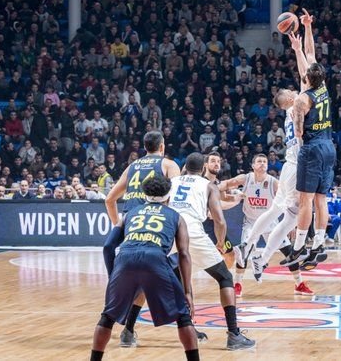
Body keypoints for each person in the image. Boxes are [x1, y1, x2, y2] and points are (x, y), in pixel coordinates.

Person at [91, 175, 199, 361]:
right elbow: (183, 254)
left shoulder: (129, 214)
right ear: (168, 197)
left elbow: (108, 247)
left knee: (107, 316)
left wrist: (113, 276)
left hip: (125, 259)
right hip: (155, 259)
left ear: (145, 195)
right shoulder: (176, 216)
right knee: (183, 317)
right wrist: (187, 291)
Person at [103, 130, 191, 346]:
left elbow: (109, 199)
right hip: (157, 225)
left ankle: (127, 328)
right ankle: (187, 325)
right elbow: (177, 198)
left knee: (138, 278)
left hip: (131, 224)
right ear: (162, 146)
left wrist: (118, 225)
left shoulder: (132, 166)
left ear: (145, 147)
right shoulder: (169, 164)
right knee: (177, 274)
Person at [168, 153, 255, 350]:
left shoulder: (173, 181)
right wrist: (221, 243)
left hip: (168, 229)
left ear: (185, 167)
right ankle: (233, 334)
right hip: (191, 230)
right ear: (203, 169)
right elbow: (220, 221)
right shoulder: (208, 185)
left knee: (172, 277)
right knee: (225, 277)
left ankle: (128, 330)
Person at [235, 89, 314, 296]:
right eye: (290, 92)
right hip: (296, 165)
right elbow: (305, 90)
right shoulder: (296, 107)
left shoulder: (289, 112)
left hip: (289, 165)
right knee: (291, 216)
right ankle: (259, 255)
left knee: (277, 212)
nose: (294, 91)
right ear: (288, 99)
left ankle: (253, 250)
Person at [281, 10, 336, 269]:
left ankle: (299, 247)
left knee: (305, 200)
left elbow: (299, 133)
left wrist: (296, 120)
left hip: (312, 148)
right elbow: (311, 55)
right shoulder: (323, 87)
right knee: (320, 200)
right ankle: (319, 245)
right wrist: (307, 29)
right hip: (328, 146)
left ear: (305, 79)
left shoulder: (302, 99)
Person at [221, 154, 309, 296]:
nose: (262, 163)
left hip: (270, 224)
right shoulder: (245, 178)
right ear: (253, 165)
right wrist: (213, 188)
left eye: (264, 162)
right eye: (259, 161)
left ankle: (299, 284)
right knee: (243, 253)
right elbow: (226, 184)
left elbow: (289, 200)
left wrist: (290, 224)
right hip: (251, 222)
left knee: (289, 253)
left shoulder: (274, 182)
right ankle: (237, 283)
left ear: (267, 166)